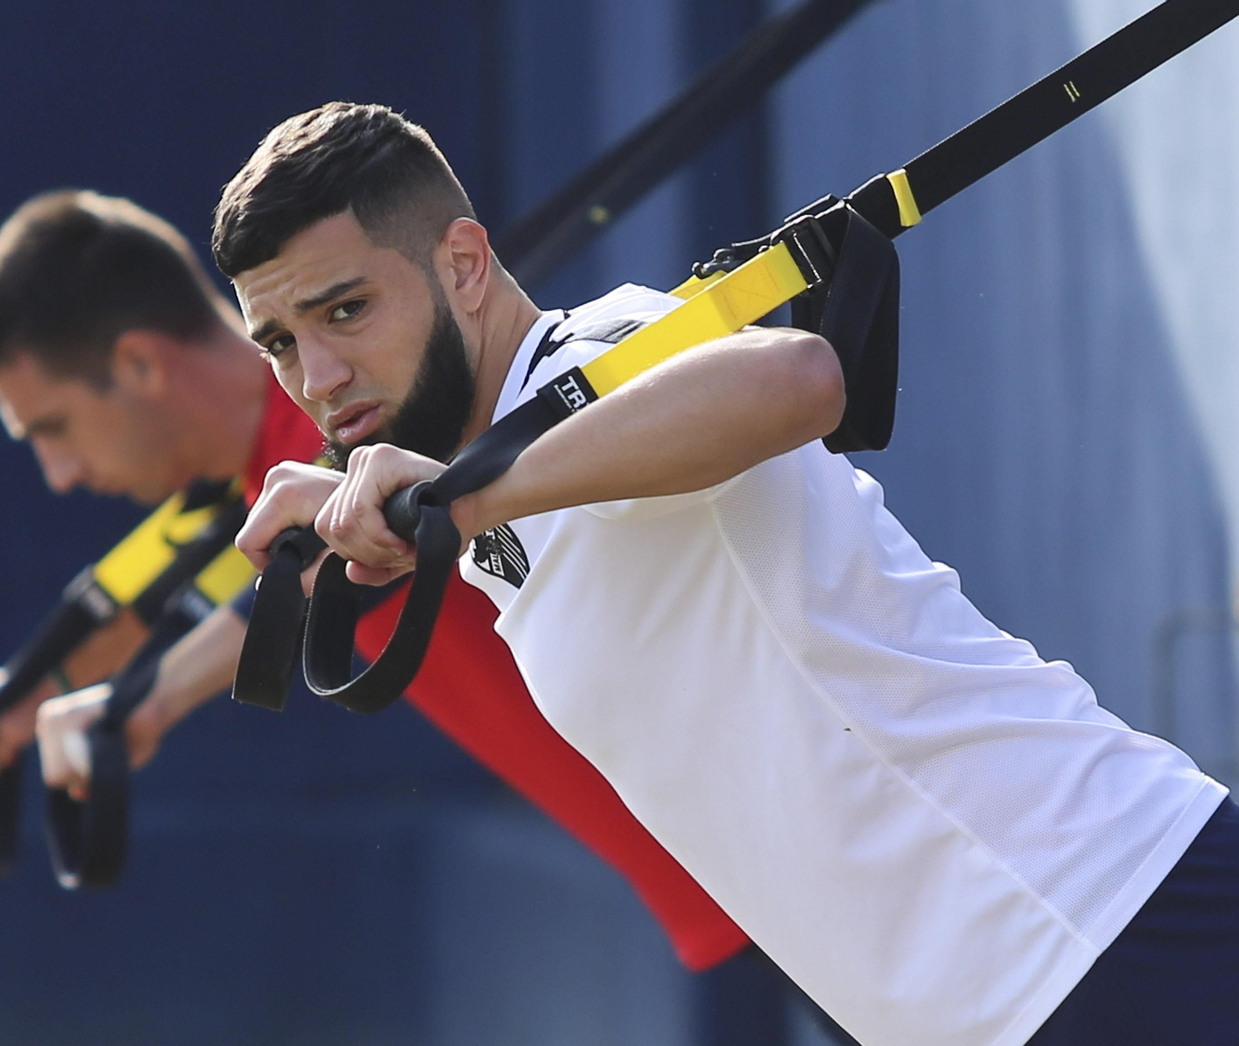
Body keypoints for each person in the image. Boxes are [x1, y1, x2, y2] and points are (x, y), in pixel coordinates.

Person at [224, 102, 1239, 1046]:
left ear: (463, 265)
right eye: (279, 342)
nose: (317, 378)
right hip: (998, 996)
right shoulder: (492, 482)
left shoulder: (593, 358)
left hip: (1098, 921)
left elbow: (793, 378)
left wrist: (460, 502)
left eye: (345, 310)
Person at [0, 189, 759, 985]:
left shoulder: (363, 430)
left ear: (140, 364)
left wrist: (145, 701)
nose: (60, 474)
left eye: (54, 428)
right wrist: (33, 690)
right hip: (734, 886)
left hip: (779, 846)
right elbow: (241, 590)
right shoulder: (266, 480)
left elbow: (320, 567)